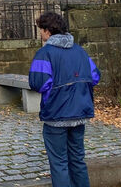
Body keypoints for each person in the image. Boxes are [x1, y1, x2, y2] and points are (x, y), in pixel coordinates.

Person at [29, 12, 100, 187]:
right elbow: (95, 77)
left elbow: (38, 83)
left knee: (59, 163)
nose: (40, 34)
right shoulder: (80, 52)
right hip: (80, 113)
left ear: (47, 31)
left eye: (40, 29)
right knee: (77, 160)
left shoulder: (45, 53)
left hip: (56, 115)